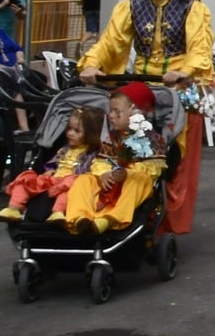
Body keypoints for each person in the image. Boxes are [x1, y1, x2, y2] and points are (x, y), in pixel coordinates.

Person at [78, 0, 215, 236]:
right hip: (141, 90)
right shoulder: (131, 6)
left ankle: (166, 224)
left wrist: (183, 72)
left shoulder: (194, 8)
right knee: (124, 149)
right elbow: (110, 43)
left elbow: (201, 51)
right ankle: (118, 209)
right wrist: (91, 64)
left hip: (179, 90)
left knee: (173, 160)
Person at [61, 83, 168, 237]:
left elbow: (154, 168)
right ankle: (80, 217)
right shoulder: (112, 138)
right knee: (84, 180)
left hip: (130, 183)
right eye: (110, 110)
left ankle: (111, 218)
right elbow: (100, 161)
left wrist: (128, 172)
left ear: (135, 112)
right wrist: (103, 173)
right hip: (110, 180)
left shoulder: (151, 139)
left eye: (117, 111)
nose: (111, 115)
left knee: (140, 180)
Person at [0, 104, 106, 224]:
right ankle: (14, 208)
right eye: (69, 128)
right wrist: (49, 170)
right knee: (27, 178)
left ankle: (57, 212)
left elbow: (89, 174)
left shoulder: (93, 153)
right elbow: (54, 162)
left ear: (91, 134)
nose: (70, 133)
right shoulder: (65, 149)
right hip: (53, 180)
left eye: (77, 131)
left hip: (71, 183)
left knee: (70, 185)